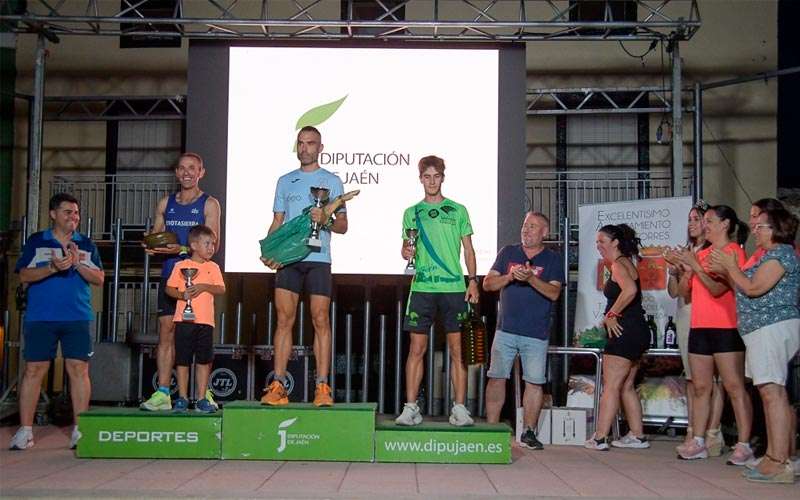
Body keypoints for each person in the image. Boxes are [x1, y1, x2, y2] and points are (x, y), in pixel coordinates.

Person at [710, 208, 799, 483]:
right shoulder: (769, 255)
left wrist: (730, 267)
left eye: (760, 227)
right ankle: (774, 456)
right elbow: (743, 286)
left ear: (775, 229)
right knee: (770, 392)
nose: (755, 231)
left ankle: (780, 461)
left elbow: (753, 288)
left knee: (773, 393)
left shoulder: (781, 254)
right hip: (760, 330)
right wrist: (727, 271)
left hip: (772, 328)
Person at [260, 126, 347, 407]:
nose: (305, 148)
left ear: (320, 147)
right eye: (301, 143)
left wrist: (326, 218)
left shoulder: (332, 182)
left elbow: (343, 226)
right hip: (289, 260)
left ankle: (322, 387)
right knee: (284, 321)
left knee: (320, 320)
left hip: (318, 259)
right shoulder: (286, 181)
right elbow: (278, 221)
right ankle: (278, 385)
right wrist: (269, 250)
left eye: (311, 143)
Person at [10, 193, 104, 450]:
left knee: (79, 370)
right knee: (33, 371)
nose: (73, 217)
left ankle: (79, 430)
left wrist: (76, 264)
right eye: (67, 212)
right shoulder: (37, 241)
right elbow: (24, 275)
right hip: (41, 317)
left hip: (77, 317)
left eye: (76, 213)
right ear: (53, 214)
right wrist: (52, 268)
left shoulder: (85, 244)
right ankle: (25, 430)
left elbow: (99, 279)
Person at [395, 155, 480, 427]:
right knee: (416, 349)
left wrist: (473, 280)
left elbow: (468, 249)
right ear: (420, 179)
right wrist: (406, 251)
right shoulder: (411, 212)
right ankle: (411, 408)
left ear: (443, 177)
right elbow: (406, 248)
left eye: (436, 176)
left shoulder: (458, 210)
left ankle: (459, 408)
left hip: (454, 288)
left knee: (458, 351)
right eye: (426, 176)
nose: (431, 181)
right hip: (422, 287)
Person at [674, 205, 754, 464]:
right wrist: (683, 269)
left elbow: (718, 289)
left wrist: (695, 266)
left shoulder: (732, 253)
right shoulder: (703, 253)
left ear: (725, 224)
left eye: (709, 221)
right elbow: (686, 291)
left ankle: (744, 444)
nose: (704, 225)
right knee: (700, 386)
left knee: (733, 386)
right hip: (700, 325)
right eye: (703, 221)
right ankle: (698, 440)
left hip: (726, 326)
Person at [141, 153, 221, 411]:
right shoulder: (166, 203)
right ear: (176, 172)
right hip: (170, 275)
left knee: (200, 339)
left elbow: (213, 243)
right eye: (182, 168)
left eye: (192, 168)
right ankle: (164, 392)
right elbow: (156, 236)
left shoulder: (209, 204)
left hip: (198, 279)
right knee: (166, 333)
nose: (187, 173)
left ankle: (203, 394)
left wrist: (181, 249)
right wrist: (151, 244)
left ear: (201, 172)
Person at [483, 212, 563, 449]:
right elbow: (488, 284)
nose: (526, 230)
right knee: (496, 377)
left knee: (534, 382)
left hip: (536, 332)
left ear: (544, 233)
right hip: (505, 329)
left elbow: (554, 293)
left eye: (532, 227)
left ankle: (528, 432)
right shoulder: (508, 252)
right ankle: (491, 429)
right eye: (524, 225)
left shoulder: (553, 259)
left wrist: (530, 279)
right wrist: (509, 277)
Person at [665, 202, 726, 457]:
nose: (691, 223)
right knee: (692, 377)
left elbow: (717, 287)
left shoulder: (713, 252)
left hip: (708, 314)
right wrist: (674, 271)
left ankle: (713, 432)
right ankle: (693, 429)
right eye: (689, 219)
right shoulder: (687, 251)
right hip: (685, 313)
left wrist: (691, 268)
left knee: (714, 380)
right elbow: (675, 292)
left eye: (697, 218)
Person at [584, 224, 650, 451]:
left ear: (615, 243)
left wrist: (612, 314)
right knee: (627, 386)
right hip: (637, 331)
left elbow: (630, 291)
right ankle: (638, 435)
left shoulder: (620, 264)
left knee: (611, 385)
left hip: (625, 332)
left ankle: (600, 437)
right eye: (596, 242)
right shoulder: (624, 263)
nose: (598, 246)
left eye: (602, 241)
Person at [165, 225, 226, 413]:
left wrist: (204, 287)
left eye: (213, 244)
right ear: (193, 245)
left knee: (203, 360)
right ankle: (182, 397)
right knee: (182, 359)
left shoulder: (213, 267)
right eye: (207, 243)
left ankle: (201, 397)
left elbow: (221, 289)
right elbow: (169, 289)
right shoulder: (180, 266)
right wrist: (183, 296)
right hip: (184, 321)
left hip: (205, 322)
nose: (211, 248)